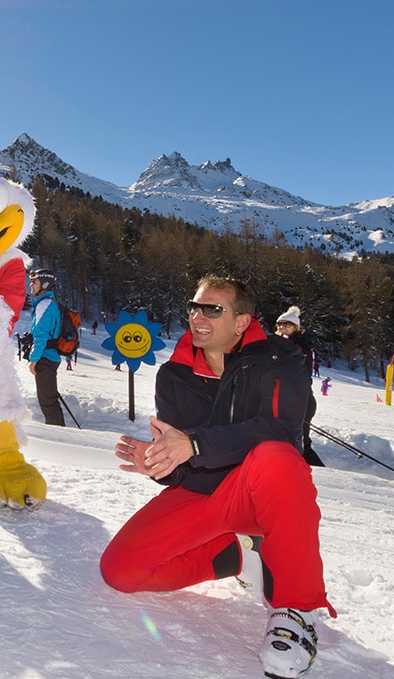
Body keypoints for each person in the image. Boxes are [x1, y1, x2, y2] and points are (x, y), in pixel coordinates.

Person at [100, 275, 335, 679]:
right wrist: (159, 464)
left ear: (242, 321)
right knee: (121, 570)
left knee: (277, 457)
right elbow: (178, 456)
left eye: (213, 309)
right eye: (194, 307)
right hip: (202, 492)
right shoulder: (174, 373)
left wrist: (193, 445)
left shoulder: (281, 359)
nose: (198, 317)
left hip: (259, 491)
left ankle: (294, 610)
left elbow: (280, 430)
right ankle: (235, 555)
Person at [275, 306, 323, 467]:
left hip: (302, 401)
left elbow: (299, 374)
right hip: (289, 401)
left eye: (286, 324)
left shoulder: (299, 346)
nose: (282, 327)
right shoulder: (281, 343)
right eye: (280, 324)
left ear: (295, 327)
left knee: (301, 443)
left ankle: (322, 474)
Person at [27, 270, 64, 426]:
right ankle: (57, 432)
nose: (31, 285)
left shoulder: (45, 304)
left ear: (44, 284)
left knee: (47, 401)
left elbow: (41, 335)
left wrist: (33, 360)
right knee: (48, 399)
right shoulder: (46, 303)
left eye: (34, 282)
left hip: (46, 358)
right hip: (49, 356)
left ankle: (58, 436)